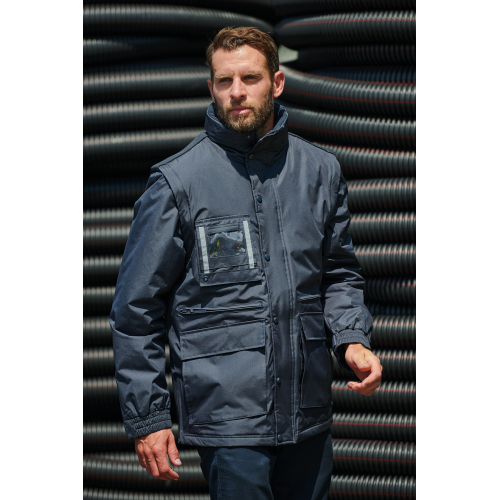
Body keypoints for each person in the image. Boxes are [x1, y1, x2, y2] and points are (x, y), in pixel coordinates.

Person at [110, 26, 382, 500]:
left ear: (276, 83)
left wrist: (351, 338)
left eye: (250, 78)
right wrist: (149, 417)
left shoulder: (320, 171)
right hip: (228, 418)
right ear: (211, 87)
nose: (236, 92)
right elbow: (136, 310)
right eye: (224, 81)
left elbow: (339, 273)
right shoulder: (177, 183)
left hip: (307, 411)